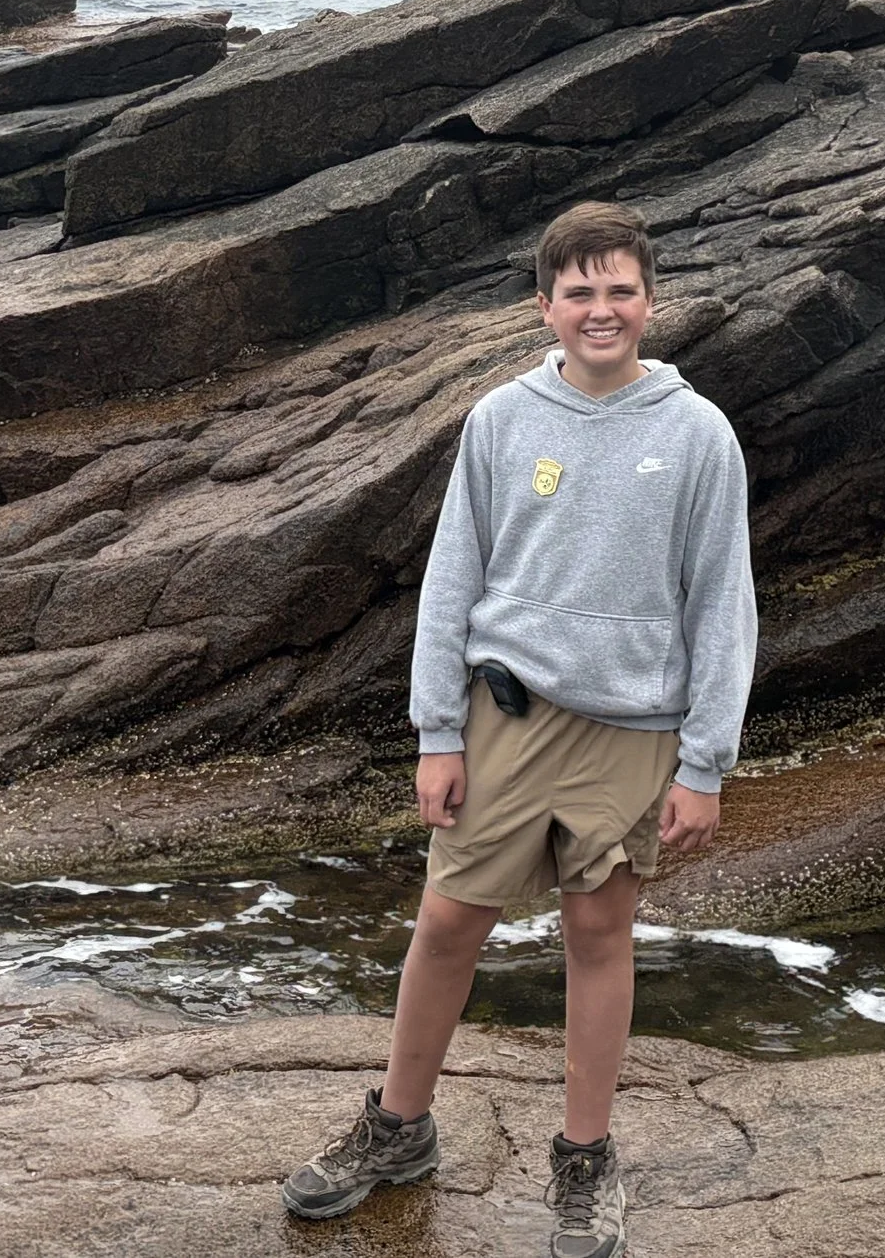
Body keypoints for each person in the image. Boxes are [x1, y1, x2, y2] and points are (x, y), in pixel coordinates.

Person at [280, 200, 757, 1258]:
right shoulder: (500, 420)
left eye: (618, 290)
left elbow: (723, 602)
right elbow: (452, 578)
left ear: (648, 301)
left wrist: (705, 763)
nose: (600, 310)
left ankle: (584, 1161)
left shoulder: (695, 433)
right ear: (544, 307)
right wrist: (434, 732)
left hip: (633, 729)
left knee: (598, 935)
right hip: (503, 719)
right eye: (578, 292)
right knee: (448, 923)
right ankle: (397, 1129)